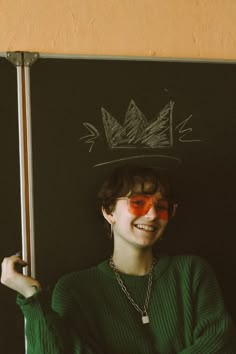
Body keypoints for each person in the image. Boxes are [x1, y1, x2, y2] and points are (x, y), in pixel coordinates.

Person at [1, 165, 236, 353]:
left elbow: (220, 343)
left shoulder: (191, 273)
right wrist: (31, 296)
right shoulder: (75, 289)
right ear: (109, 211)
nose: (153, 215)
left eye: (162, 207)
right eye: (139, 203)